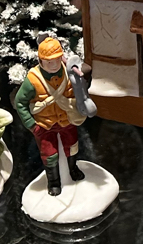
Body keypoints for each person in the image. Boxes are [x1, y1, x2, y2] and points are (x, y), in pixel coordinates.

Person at [13, 36, 89, 196]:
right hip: (45, 125)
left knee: (73, 147)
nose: (54, 65)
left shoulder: (69, 73)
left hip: (67, 121)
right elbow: (20, 102)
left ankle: (73, 169)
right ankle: (53, 181)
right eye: (49, 62)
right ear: (41, 60)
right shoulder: (33, 80)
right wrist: (31, 125)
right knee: (49, 154)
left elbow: (80, 93)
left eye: (56, 60)